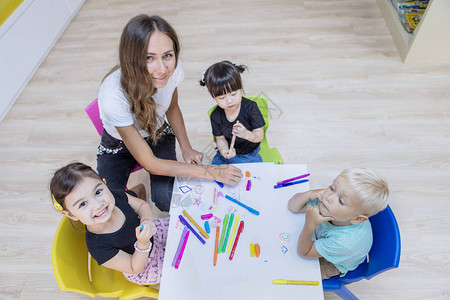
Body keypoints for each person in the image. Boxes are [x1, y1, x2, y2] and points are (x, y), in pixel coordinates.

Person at [96, 15, 242, 212]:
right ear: (132, 58)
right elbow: (151, 163)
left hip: (158, 132)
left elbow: (172, 108)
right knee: (112, 207)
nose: (163, 69)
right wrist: (211, 171)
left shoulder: (173, 71)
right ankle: (138, 191)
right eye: (149, 58)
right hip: (118, 144)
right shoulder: (112, 95)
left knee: (167, 200)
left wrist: (186, 147)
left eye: (167, 55)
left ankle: (139, 192)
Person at [50, 162, 167, 285]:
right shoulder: (97, 247)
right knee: (184, 268)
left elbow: (141, 205)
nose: (98, 204)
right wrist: (143, 243)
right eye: (83, 204)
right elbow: (134, 267)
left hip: (155, 235)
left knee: (182, 225)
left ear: (105, 185)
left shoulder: (115, 196)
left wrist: (146, 220)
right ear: (71, 215)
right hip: (145, 265)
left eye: (98, 192)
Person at [287, 168, 389, 279]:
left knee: (294, 273)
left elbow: (304, 252)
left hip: (335, 262)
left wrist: (309, 224)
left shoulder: (344, 242)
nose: (328, 197)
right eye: (332, 188)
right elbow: (293, 206)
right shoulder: (332, 204)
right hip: (326, 242)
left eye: (341, 201)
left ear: (357, 219)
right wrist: (310, 194)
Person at [199, 61, 265, 165]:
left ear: (240, 89)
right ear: (213, 96)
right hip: (228, 153)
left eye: (234, 94)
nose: (229, 101)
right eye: (221, 97)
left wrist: (245, 134)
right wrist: (224, 151)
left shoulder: (251, 107)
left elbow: (259, 136)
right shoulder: (215, 115)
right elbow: (220, 138)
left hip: (248, 154)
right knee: (215, 173)